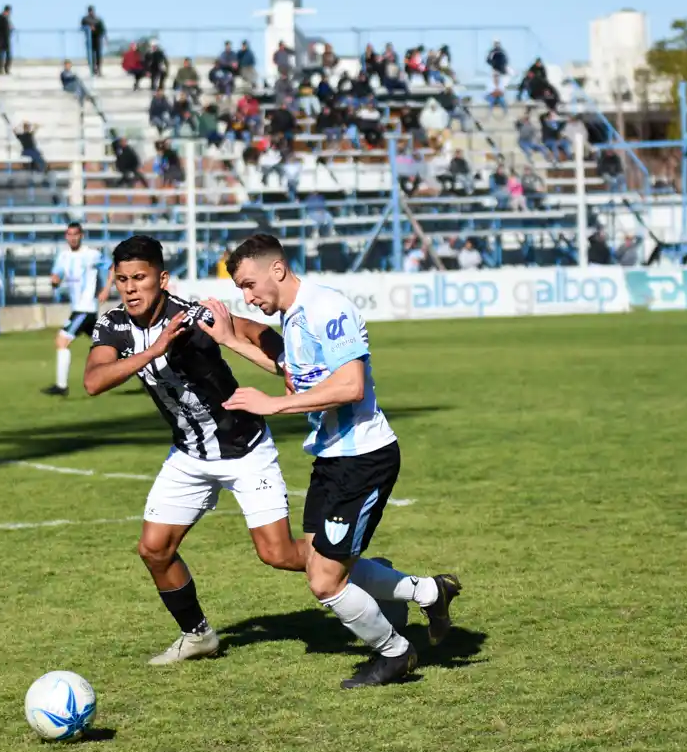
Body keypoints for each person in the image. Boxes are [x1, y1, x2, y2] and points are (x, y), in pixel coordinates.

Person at [83, 235, 449, 671]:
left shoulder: (194, 316)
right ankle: (197, 635)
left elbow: (259, 334)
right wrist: (154, 350)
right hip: (189, 454)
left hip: (244, 448)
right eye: (122, 279)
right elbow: (94, 380)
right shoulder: (113, 326)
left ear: (161, 279)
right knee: (153, 549)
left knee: (279, 554)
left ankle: (375, 581)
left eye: (139, 278)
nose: (130, 288)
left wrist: (285, 368)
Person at [215, 233, 462, 688]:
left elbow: (350, 385)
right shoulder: (293, 318)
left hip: (364, 458)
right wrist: (231, 339)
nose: (247, 298)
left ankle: (395, 653)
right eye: (241, 292)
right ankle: (429, 591)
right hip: (331, 457)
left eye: (250, 285)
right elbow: (296, 376)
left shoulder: (328, 308)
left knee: (325, 582)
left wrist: (271, 405)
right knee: (315, 560)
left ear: (277, 269)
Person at [42, 223, 111, 396]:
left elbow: (112, 267)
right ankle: (145, 371)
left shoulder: (91, 254)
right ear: (66, 236)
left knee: (62, 341)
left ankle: (61, 386)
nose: (72, 238)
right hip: (78, 308)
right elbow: (56, 275)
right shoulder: (63, 256)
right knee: (107, 345)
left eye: (76, 234)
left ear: (81, 235)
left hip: (85, 309)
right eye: (69, 235)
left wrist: (106, 289)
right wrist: (55, 280)